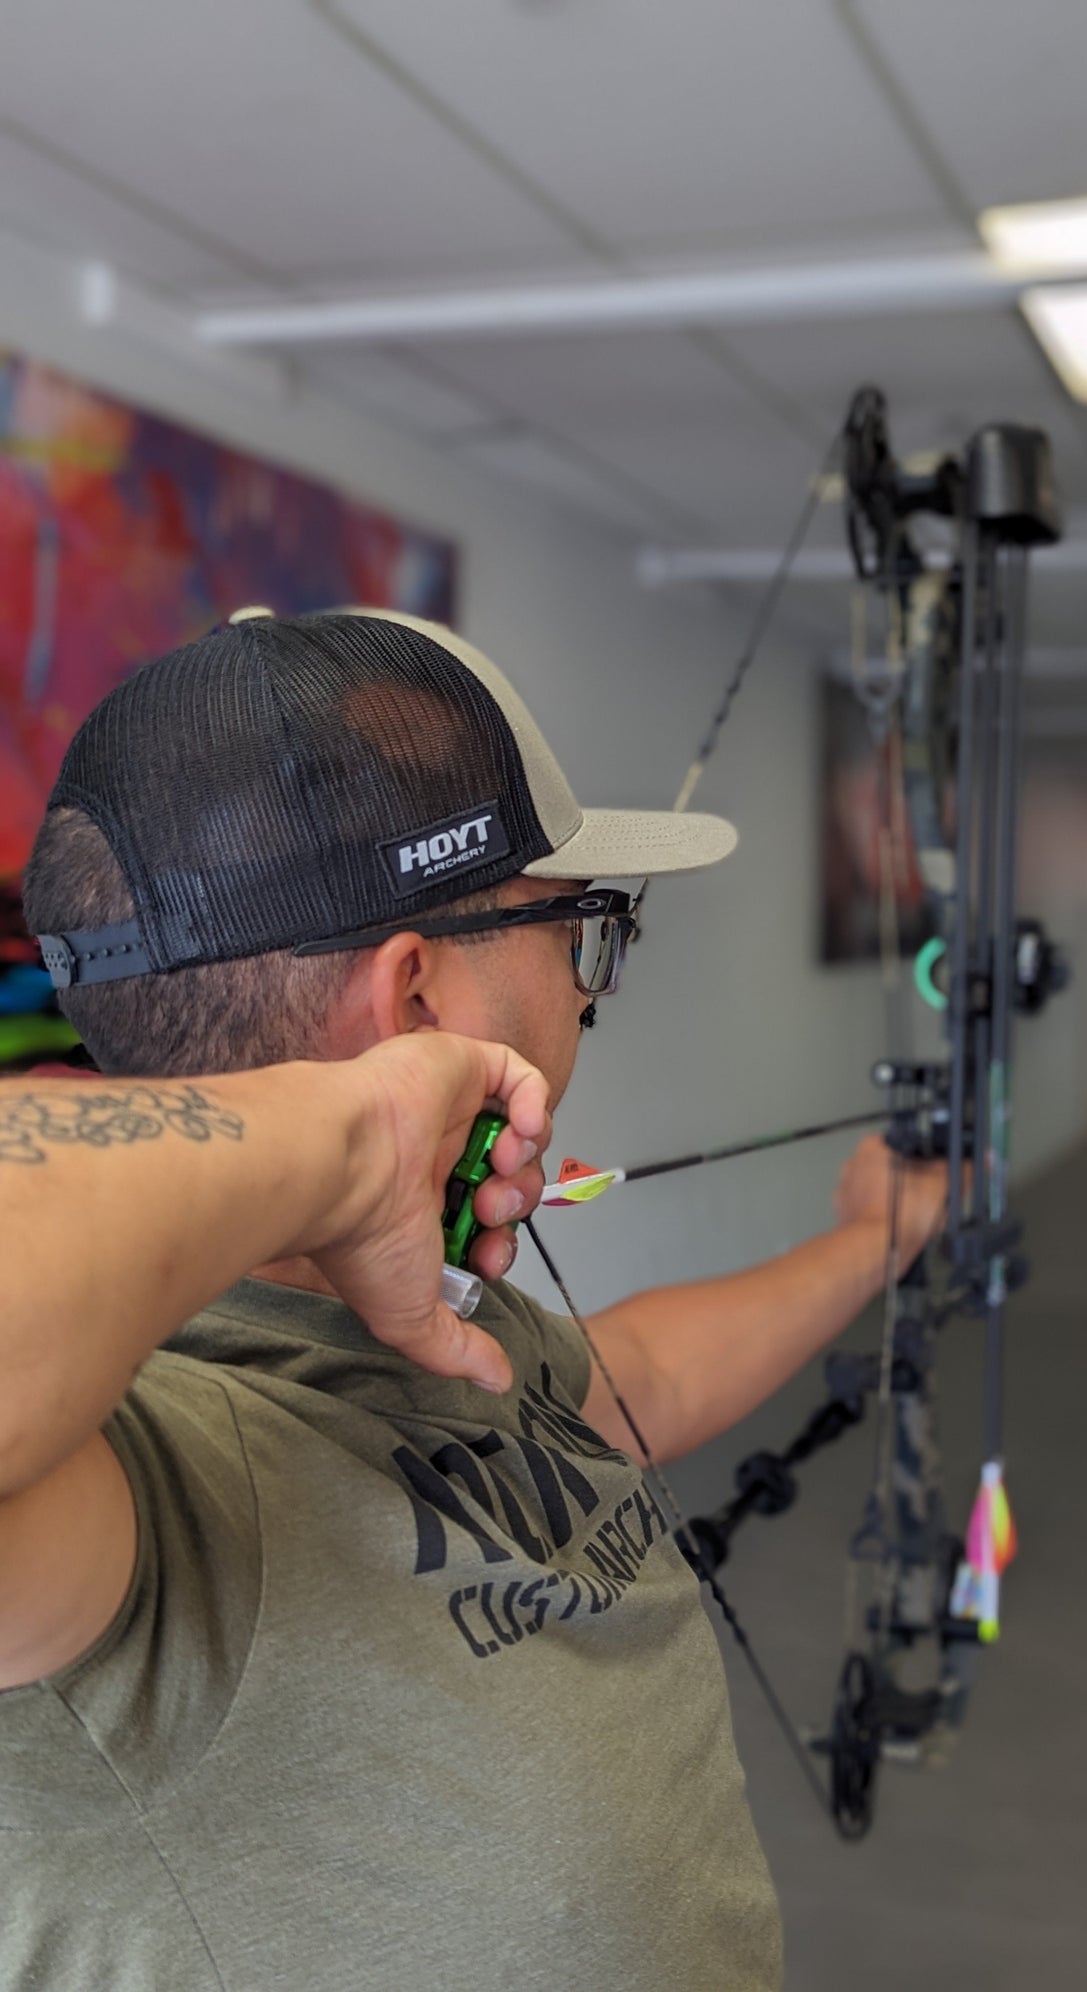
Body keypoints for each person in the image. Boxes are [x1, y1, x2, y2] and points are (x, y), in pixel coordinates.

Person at [1, 607, 946, 1991]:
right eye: (581, 935)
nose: (586, 989)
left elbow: (631, 1387)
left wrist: (881, 1236)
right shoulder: (132, 1475)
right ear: (418, 999)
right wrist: (347, 1136)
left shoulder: (414, 1315)